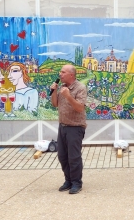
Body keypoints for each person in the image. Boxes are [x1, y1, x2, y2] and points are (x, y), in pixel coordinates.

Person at [50, 65, 87, 194]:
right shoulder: (62, 87)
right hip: (63, 126)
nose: (60, 74)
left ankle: (77, 183)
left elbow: (80, 108)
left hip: (75, 127)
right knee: (62, 156)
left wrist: (68, 96)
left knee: (74, 157)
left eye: (63, 72)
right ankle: (68, 180)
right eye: (60, 71)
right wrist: (54, 91)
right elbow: (55, 104)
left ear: (71, 74)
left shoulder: (80, 88)